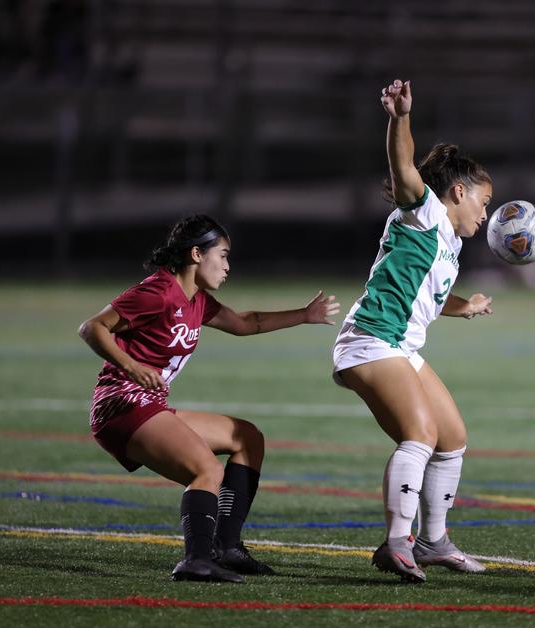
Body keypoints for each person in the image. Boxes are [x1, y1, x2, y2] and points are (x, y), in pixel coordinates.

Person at [78, 214, 340, 583]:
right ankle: (196, 559)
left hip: (147, 404)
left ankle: (227, 548)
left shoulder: (197, 300)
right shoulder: (159, 291)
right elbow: (92, 327)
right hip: (121, 404)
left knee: (246, 438)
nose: (228, 266)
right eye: (223, 255)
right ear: (197, 254)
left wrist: (304, 315)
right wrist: (132, 366)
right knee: (207, 470)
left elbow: (246, 322)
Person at [332, 79, 493, 583]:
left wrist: (462, 307)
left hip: (401, 345)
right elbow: (403, 168)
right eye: (483, 203)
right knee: (419, 435)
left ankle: (432, 541)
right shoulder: (424, 211)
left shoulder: (450, 241)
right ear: (458, 192)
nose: (485, 215)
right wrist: (400, 117)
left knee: (453, 439)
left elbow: (427, 295)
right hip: (370, 340)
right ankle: (397, 543)